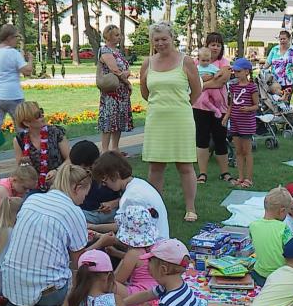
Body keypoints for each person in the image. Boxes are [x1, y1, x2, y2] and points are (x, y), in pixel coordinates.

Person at [2, 164, 116, 306]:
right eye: (85, 194)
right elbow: (79, 262)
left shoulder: (32, 200)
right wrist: (101, 243)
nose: (83, 200)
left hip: (10, 286)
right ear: (77, 188)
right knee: (94, 278)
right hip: (48, 294)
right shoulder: (73, 211)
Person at [140, 21, 202, 222]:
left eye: (164, 39)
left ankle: (190, 208)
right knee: (156, 166)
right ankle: (156, 206)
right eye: (156, 40)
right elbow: (145, 92)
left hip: (180, 118)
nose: (160, 43)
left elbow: (196, 90)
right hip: (157, 118)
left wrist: (182, 104)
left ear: (172, 38)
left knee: (185, 165)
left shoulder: (186, 61)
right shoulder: (147, 63)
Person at [0, 24, 33, 169]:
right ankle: (26, 156)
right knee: (22, 126)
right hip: (12, 95)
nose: (17, 40)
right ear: (10, 38)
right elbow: (27, 71)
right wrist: (30, 59)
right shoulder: (13, 53)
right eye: (16, 37)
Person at [90, 150, 169, 238]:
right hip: (159, 238)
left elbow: (121, 226)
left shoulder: (130, 197)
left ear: (115, 175)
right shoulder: (139, 184)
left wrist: (93, 228)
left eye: (104, 180)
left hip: (151, 245)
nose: (104, 185)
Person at [193, 32, 234, 185]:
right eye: (212, 44)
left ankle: (225, 172)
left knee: (220, 139)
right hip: (199, 107)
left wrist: (202, 85)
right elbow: (191, 81)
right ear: (207, 46)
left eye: (218, 45)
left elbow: (221, 82)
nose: (215, 47)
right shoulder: (196, 62)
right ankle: (202, 173)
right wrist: (206, 81)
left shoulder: (224, 63)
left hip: (220, 107)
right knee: (201, 139)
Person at [13, 101, 71, 189]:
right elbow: (20, 169)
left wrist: (57, 171)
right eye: (38, 115)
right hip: (35, 186)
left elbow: (70, 158)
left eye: (41, 112)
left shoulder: (55, 132)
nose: (42, 116)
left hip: (60, 182)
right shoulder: (19, 140)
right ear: (26, 123)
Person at [222, 57, 259, 188]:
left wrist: (248, 108)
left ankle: (249, 178)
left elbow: (256, 105)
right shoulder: (233, 87)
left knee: (247, 151)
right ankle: (241, 177)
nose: (236, 74)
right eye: (235, 72)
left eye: (238, 71)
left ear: (246, 72)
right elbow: (231, 104)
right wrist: (227, 116)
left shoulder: (252, 87)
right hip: (235, 122)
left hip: (247, 123)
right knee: (238, 151)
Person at [97, 24, 134, 153]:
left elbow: (124, 69)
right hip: (111, 91)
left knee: (118, 119)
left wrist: (126, 73)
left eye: (119, 35)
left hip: (121, 92)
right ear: (109, 36)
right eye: (117, 35)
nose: (120, 37)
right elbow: (114, 69)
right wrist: (127, 82)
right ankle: (106, 150)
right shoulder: (106, 51)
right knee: (109, 119)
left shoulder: (117, 52)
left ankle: (115, 148)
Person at [249, 187, 293, 287]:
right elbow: (292, 251)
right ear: (282, 211)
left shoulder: (253, 225)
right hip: (279, 277)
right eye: (287, 213)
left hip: (259, 275)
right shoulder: (284, 228)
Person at [69, 140, 121, 224]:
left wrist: (113, 203)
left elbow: (127, 195)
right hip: (85, 212)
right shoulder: (73, 175)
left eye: (86, 168)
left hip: (109, 212)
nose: (83, 171)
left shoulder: (108, 173)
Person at [113, 205, 160, 297]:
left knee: (110, 285)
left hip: (140, 295)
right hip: (156, 290)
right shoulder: (155, 247)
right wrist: (115, 253)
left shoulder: (133, 254)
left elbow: (118, 279)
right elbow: (140, 260)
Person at [264, 30, 293, 102]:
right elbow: (268, 62)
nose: (282, 41)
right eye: (281, 39)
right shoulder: (274, 50)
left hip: (288, 82)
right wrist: (263, 69)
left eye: (284, 39)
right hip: (274, 82)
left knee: (285, 104)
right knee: (275, 103)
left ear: (289, 39)